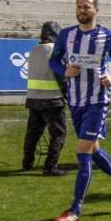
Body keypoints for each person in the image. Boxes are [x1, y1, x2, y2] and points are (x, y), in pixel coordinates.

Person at [50, 0, 111, 221]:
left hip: (98, 100)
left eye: (86, 7)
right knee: (92, 149)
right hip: (75, 101)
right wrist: (64, 70)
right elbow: (54, 60)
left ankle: (75, 209)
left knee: (83, 151)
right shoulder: (66, 35)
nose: (82, 10)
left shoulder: (107, 36)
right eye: (79, 7)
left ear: (96, 10)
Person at [22, 21, 68, 176]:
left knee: (33, 134)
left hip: (33, 99)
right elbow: (61, 76)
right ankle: (50, 166)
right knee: (58, 134)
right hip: (52, 100)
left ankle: (27, 163)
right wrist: (69, 96)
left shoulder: (35, 49)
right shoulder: (55, 51)